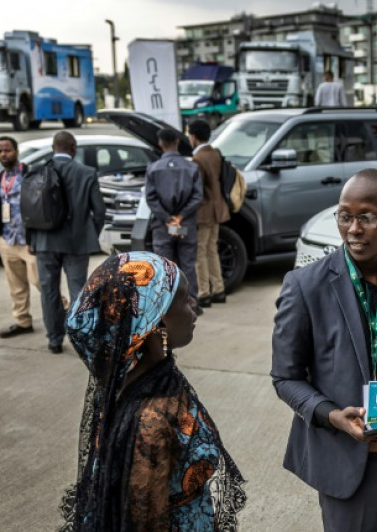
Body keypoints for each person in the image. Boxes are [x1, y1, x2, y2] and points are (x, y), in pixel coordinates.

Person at [271, 168, 377, 531]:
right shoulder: (305, 286)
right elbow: (285, 378)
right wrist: (332, 415)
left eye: (366, 217)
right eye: (345, 216)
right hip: (349, 468)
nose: (353, 229)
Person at [59, 251, 246, 530]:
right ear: (156, 322)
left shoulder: (150, 377)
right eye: (184, 299)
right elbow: (144, 522)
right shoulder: (152, 421)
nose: (194, 305)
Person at [31, 131, 105, 354]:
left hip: (45, 241)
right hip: (76, 242)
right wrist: (90, 233)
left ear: (54, 147)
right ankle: (80, 338)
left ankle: (54, 340)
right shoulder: (86, 173)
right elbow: (99, 211)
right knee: (77, 291)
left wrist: (32, 239)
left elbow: (28, 208)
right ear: (73, 148)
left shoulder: (37, 170)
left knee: (49, 291)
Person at [145, 128, 203, 313]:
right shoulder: (192, 167)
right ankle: (191, 304)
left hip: (163, 226)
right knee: (188, 264)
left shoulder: (153, 168)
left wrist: (167, 218)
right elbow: (197, 196)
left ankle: (167, 308)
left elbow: (151, 198)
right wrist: (181, 216)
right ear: (178, 142)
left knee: (164, 266)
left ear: (160, 144)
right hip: (185, 224)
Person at [0, 136, 41, 339]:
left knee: (42, 283)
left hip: (29, 241)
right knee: (16, 286)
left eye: (7, 150)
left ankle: (67, 316)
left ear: (16, 150)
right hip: (7, 239)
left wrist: (37, 237)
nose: (3, 154)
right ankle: (22, 322)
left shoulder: (30, 173)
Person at [187, 118, 230, 308]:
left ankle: (204, 293)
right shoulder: (215, 153)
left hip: (204, 211)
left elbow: (197, 189)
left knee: (201, 253)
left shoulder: (197, 159)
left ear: (194, 137)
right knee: (212, 250)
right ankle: (219, 289)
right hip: (218, 208)